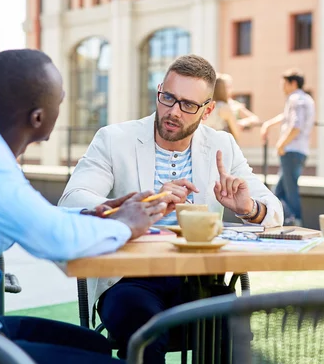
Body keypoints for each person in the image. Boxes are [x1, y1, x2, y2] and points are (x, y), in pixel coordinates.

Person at [58, 54, 284, 363]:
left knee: (233, 330)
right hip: (128, 278)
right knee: (144, 331)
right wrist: (144, 201)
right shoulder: (114, 139)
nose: (173, 112)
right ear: (159, 91)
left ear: (207, 111)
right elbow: (72, 201)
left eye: (188, 105)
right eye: (168, 98)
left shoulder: (222, 145)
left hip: (200, 280)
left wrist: (249, 207)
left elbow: (273, 211)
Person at [0, 49, 169, 364]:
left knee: (95, 344)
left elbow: (36, 216)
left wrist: (95, 213)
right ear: (37, 117)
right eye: (60, 100)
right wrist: (124, 225)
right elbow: (54, 240)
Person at [260, 68, 315, 227]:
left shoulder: (295, 99)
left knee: (289, 193)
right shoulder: (305, 99)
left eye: (284, 83)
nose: (281, 87)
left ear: (293, 83)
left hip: (291, 151)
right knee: (278, 192)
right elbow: (287, 117)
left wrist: (281, 144)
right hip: (299, 151)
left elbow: (296, 125)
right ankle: (281, 222)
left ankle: (296, 224)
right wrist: (269, 124)